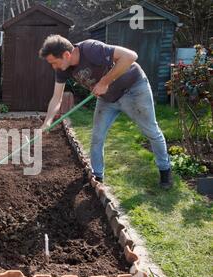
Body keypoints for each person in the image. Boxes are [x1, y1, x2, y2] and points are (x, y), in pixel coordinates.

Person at [39, 35, 172, 189]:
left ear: (66, 55)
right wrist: (47, 121)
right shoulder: (63, 69)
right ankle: (97, 177)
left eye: (54, 63)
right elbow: (57, 98)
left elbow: (130, 56)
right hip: (107, 99)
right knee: (97, 137)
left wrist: (104, 82)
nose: (53, 67)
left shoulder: (90, 49)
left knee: (151, 131)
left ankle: (165, 170)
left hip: (134, 89)